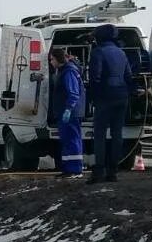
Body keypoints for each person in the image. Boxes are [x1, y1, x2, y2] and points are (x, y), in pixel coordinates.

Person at [86, 24, 136, 184]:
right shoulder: (121, 53)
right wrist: (133, 91)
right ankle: (112, 172)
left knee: (99, 135)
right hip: (122, 97)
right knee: (117, 134)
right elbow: (129, 76)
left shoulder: (98, 52)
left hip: (104, 97)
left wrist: (92, 97)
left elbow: (95, 78)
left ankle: (99, 171)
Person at [47, 47, 85, 177]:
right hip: (66, 112)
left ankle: (75, 169)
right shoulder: (63, 71)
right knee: (67, 141)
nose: (51, 62)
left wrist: (69, 109)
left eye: (52, 59)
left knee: (72, 140)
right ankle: (69, 168)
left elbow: (73, 93)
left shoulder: (68, 72)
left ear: (58, 59)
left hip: (70, 113)